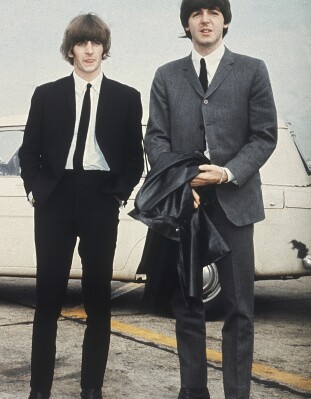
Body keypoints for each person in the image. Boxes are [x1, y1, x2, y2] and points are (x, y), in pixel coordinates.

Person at [144, 1, 277, 398]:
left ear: (225, 21)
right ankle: (193, 391)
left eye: (214, 12)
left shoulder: (252, 70)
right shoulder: (167, 75)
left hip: (236, 202)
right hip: (188, 206)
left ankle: (237, 393)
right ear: (186, 23)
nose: (205, 19)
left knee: (239, 308)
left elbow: (264, 135)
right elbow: (156, 138)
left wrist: (228, 172)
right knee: (188, 305)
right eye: (197, 12)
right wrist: (183, 183)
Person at [18, 13, 144, 399]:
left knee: (98, 298)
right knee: (48, 297)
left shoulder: (127, 97)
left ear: (104, 48)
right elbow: (29, 152)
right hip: (55, 197)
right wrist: (38, 190)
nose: (88, 50)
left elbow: (133, 159)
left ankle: (91, 387)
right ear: (70, 49)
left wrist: (117, 193)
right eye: (81, 43)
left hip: (99, 197)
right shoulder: (47, 94)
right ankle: (39, 389)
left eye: (95, 43)